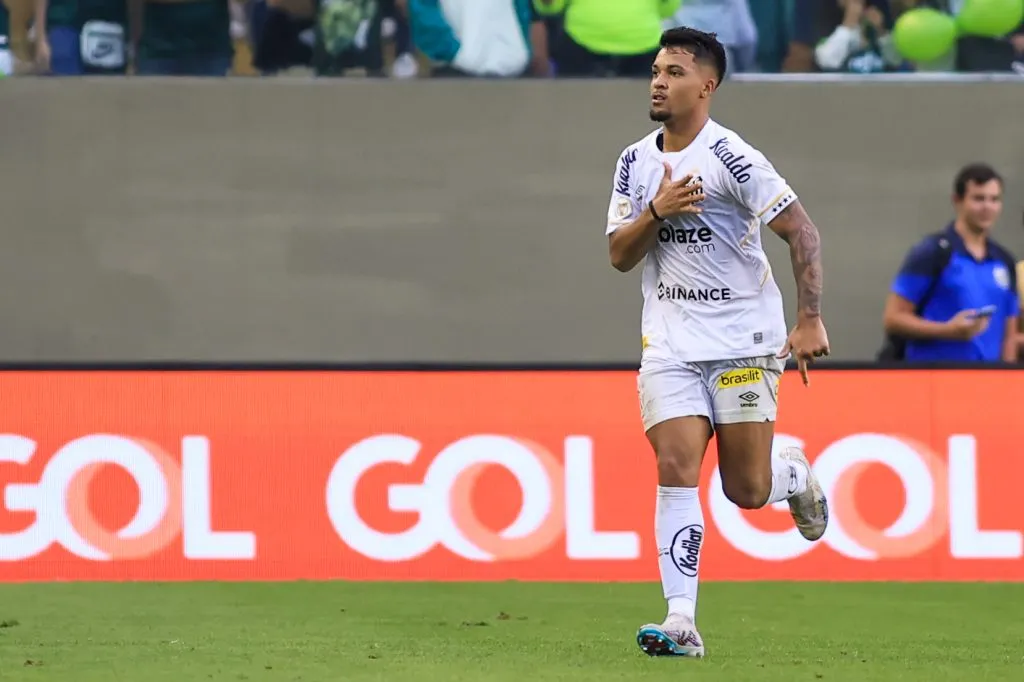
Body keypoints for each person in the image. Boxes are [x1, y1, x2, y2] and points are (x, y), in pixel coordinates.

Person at [604, 26, 831, 658]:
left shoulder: (734, 158)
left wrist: (810, 318)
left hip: (742, 343)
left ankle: (793, 473)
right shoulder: (634, 161)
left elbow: (802, 232)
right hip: (670, 345)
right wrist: (656, 211)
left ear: (707, 86)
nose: (658, 81)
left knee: (746, 490)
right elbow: (619, 256)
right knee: (675, 468)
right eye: (655, 70)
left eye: (674, 72)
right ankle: (681, 623)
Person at [882, 164, 1018, 363]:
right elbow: (893, 319)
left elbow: (1009, 335)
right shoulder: (933, 252)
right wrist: (948, 330)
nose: (987, 207)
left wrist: (1009, 383)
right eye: (978, 198)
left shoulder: (1004, 260)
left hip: (988, 384)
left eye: (994, 199)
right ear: (957, 200)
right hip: (932, 381)